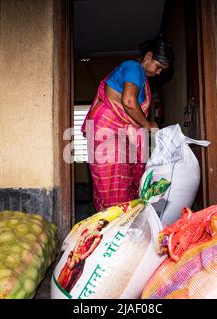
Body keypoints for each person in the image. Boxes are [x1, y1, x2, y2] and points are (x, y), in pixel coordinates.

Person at [81, 37, 174, 211]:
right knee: (113, 188)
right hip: (110, 135)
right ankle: (115, 230)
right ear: (148, 56)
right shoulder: (134, 68)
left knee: (122, 186)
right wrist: (147, 125)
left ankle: (119, 229)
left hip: (117, 137)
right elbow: (129, 102)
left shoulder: (141, 79)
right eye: (158, 66)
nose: (159, 72)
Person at [57, 219, 109, 293]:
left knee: (70, 278)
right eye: (98, 223)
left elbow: (90, 251)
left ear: (103, 227)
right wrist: (72, 253)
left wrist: (79, 259)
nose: (98, 225)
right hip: (74, 255)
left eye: (101, 224)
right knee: (64, 274)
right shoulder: (87, 230)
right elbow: (78, 241)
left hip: (79, 259)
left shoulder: (98, 236)